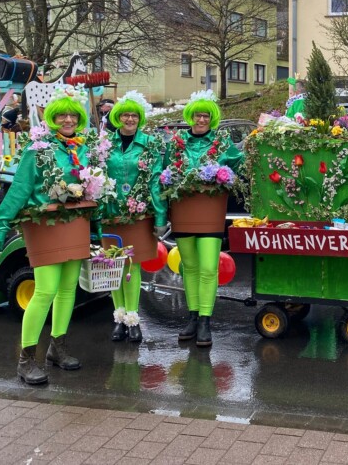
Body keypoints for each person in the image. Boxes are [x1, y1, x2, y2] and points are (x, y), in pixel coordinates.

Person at [0, 86, 101, 385]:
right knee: (45, 290)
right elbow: (21, 188)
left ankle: (57, 347)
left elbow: (93, 187)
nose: (67, 120)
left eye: (72, 115)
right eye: (61, 115)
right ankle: (26, 361)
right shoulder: (37, 148)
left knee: (68, 290)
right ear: (51, 118)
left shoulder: (81, 149)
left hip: (75, 224)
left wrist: (99, 224)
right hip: (45, 226)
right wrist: (0, 225)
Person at [165, 90, 243, 348]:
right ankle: (193, 316)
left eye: (206, 116)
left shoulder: (221, 142)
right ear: (190, 116)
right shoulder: (176, 143)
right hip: (183, 212)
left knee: (209, 267)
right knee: (190, 267)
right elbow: (165, 174)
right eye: (197, 115)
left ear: (212, 118)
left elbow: (239, 163)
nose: (201, 120)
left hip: (210, 212)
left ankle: (206, 321)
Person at [101, 91, 167, 343]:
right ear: (118, 118)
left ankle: (134, 319)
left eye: (134, 115)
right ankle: (119, 319)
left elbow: (154, 180)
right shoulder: (106, 145)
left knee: (132, 267)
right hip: (111, 214)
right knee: (113, 268)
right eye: (125, 115)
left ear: (140, 119)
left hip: (138, 215)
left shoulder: (150, 143)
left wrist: (160, 217)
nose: (130, 119)